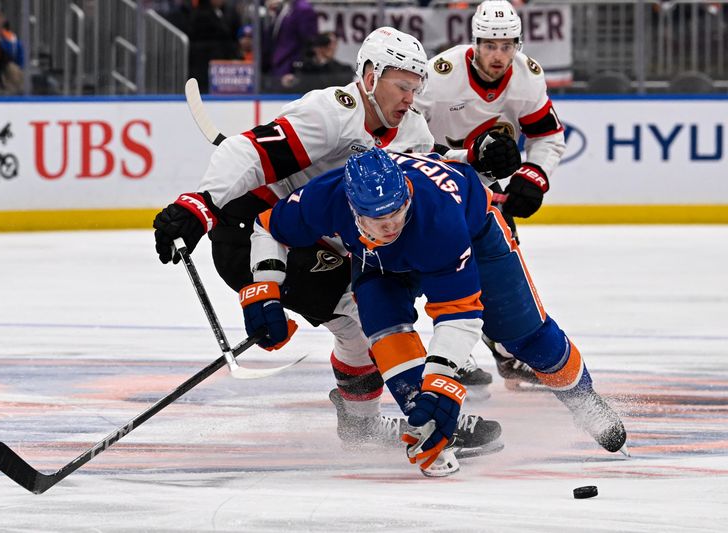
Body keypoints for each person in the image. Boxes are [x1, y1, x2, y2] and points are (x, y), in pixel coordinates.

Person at [153, 27, 509, 455]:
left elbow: (425, 174)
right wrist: (201, 204)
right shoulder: (331, 112)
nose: (410, 98)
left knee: (360, 320)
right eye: (402, 86)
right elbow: (247, 153)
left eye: (415, 88)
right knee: (361, 315)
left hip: (312, 237)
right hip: (253, 234)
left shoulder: (411, 126)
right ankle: (418, 412)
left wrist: (475, 159)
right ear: (371, 76)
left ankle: (362, 425)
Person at [244, 147, 628, 476]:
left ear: (407, 194)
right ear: (351, 209)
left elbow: (459, 315)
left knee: (523, 334)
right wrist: (265, 289)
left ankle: (584, 399)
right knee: (383, 328)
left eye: (397, 212)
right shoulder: (325, 196)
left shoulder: (438, 221)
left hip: (475, 237)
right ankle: (427, 421)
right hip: (379, 264)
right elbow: (268, 228)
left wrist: (444, 384)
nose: (391, 225)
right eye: (378, 219)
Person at [414, 0, 566, 389]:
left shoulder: (527, 78)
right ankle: (454, 354)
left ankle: (504, 351)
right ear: (474, 43)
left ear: (518, 44)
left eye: (507, 46)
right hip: (433, 178)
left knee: (499, 268)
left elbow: (547, 135)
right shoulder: (440, 75)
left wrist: (534, 175)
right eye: (489, 46)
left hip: (487, 185)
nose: (498, 56)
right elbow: (404, 128)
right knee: (433, 268)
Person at [187, 0, 242, 94]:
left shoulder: (230, 12)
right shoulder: (200, 13)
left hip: (224, 64)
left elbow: (234, 35)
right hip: (203, 63)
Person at [261, 0, 317, 90]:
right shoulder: (286, 6)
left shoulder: (303, 9)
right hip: (277, 68)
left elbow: (308, 42)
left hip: (289, 70)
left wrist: (296, 71)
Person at [281, 32, 355, 93]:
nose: (331, 46)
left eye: (334, 43)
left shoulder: (344, 70)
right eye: (327, 42)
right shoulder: (304, 68)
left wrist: (324, 63)